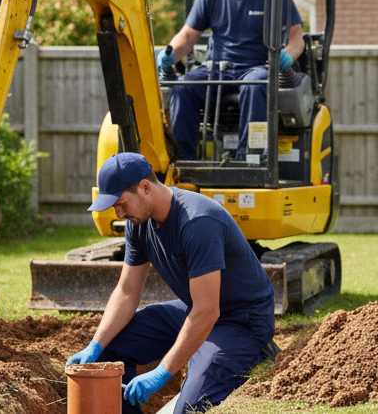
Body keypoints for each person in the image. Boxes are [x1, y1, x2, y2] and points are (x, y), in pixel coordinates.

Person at [68, 152, 275, 413]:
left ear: (145, 187)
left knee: (188, 408)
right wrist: (95, 345)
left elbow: (207, 311)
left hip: (242, 321)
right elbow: (127, 292)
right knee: (106, 354)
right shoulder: (138, 222)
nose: (119, 214)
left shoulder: (197, 222)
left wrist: (162, 372)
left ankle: (254, 354)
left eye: (121, 204)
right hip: (195, 309)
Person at [158, 0, 304, 160]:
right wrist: (169, 53)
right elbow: (187, 36)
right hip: (217, 70)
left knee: (256, 83)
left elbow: (297, 37)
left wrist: (287, 56)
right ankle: (183, 162)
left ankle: (250, 159)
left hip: (254, 69)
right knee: (184, 86)